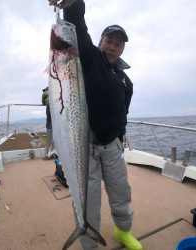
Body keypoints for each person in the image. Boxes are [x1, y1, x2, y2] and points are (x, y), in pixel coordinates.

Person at [48, 1, 143, 249]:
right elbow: (78, 26)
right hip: (85, 144)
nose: (112, 46)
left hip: (112, 145)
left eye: (118, 43)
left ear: (122, 49)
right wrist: (73, 5)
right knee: (88, 200)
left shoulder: (125, 81)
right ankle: (89, 244)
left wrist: (121, 137)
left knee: (121, 192)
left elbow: (123, 112)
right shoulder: (89, 59)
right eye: (108, 41)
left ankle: (123, 231)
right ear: (100, 42)